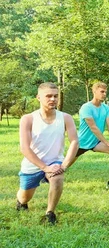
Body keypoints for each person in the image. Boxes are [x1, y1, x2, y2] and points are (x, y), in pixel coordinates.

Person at [16, 82, 79, 225]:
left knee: (57, 179)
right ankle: (21, 202)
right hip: (33, 164)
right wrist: (44, 167)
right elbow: (25, 148)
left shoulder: (66, 118)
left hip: (55, 162)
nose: (53, 99)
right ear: (38, 97)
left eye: (55, 96)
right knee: (25, 197)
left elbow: (74, 141)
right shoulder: (28, 119)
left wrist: (64, 165)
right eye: (48, 96)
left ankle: (50, 214)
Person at [73, 82, 109, 189]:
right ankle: (48, 177)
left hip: (96, 142)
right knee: (65, 164)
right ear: (94, 91)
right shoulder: (86, 107)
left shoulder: (105, 108)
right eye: (102, 91)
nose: (104, 94)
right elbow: (93, 127)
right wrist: (107, 142)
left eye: (105, 92)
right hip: (82, 142)